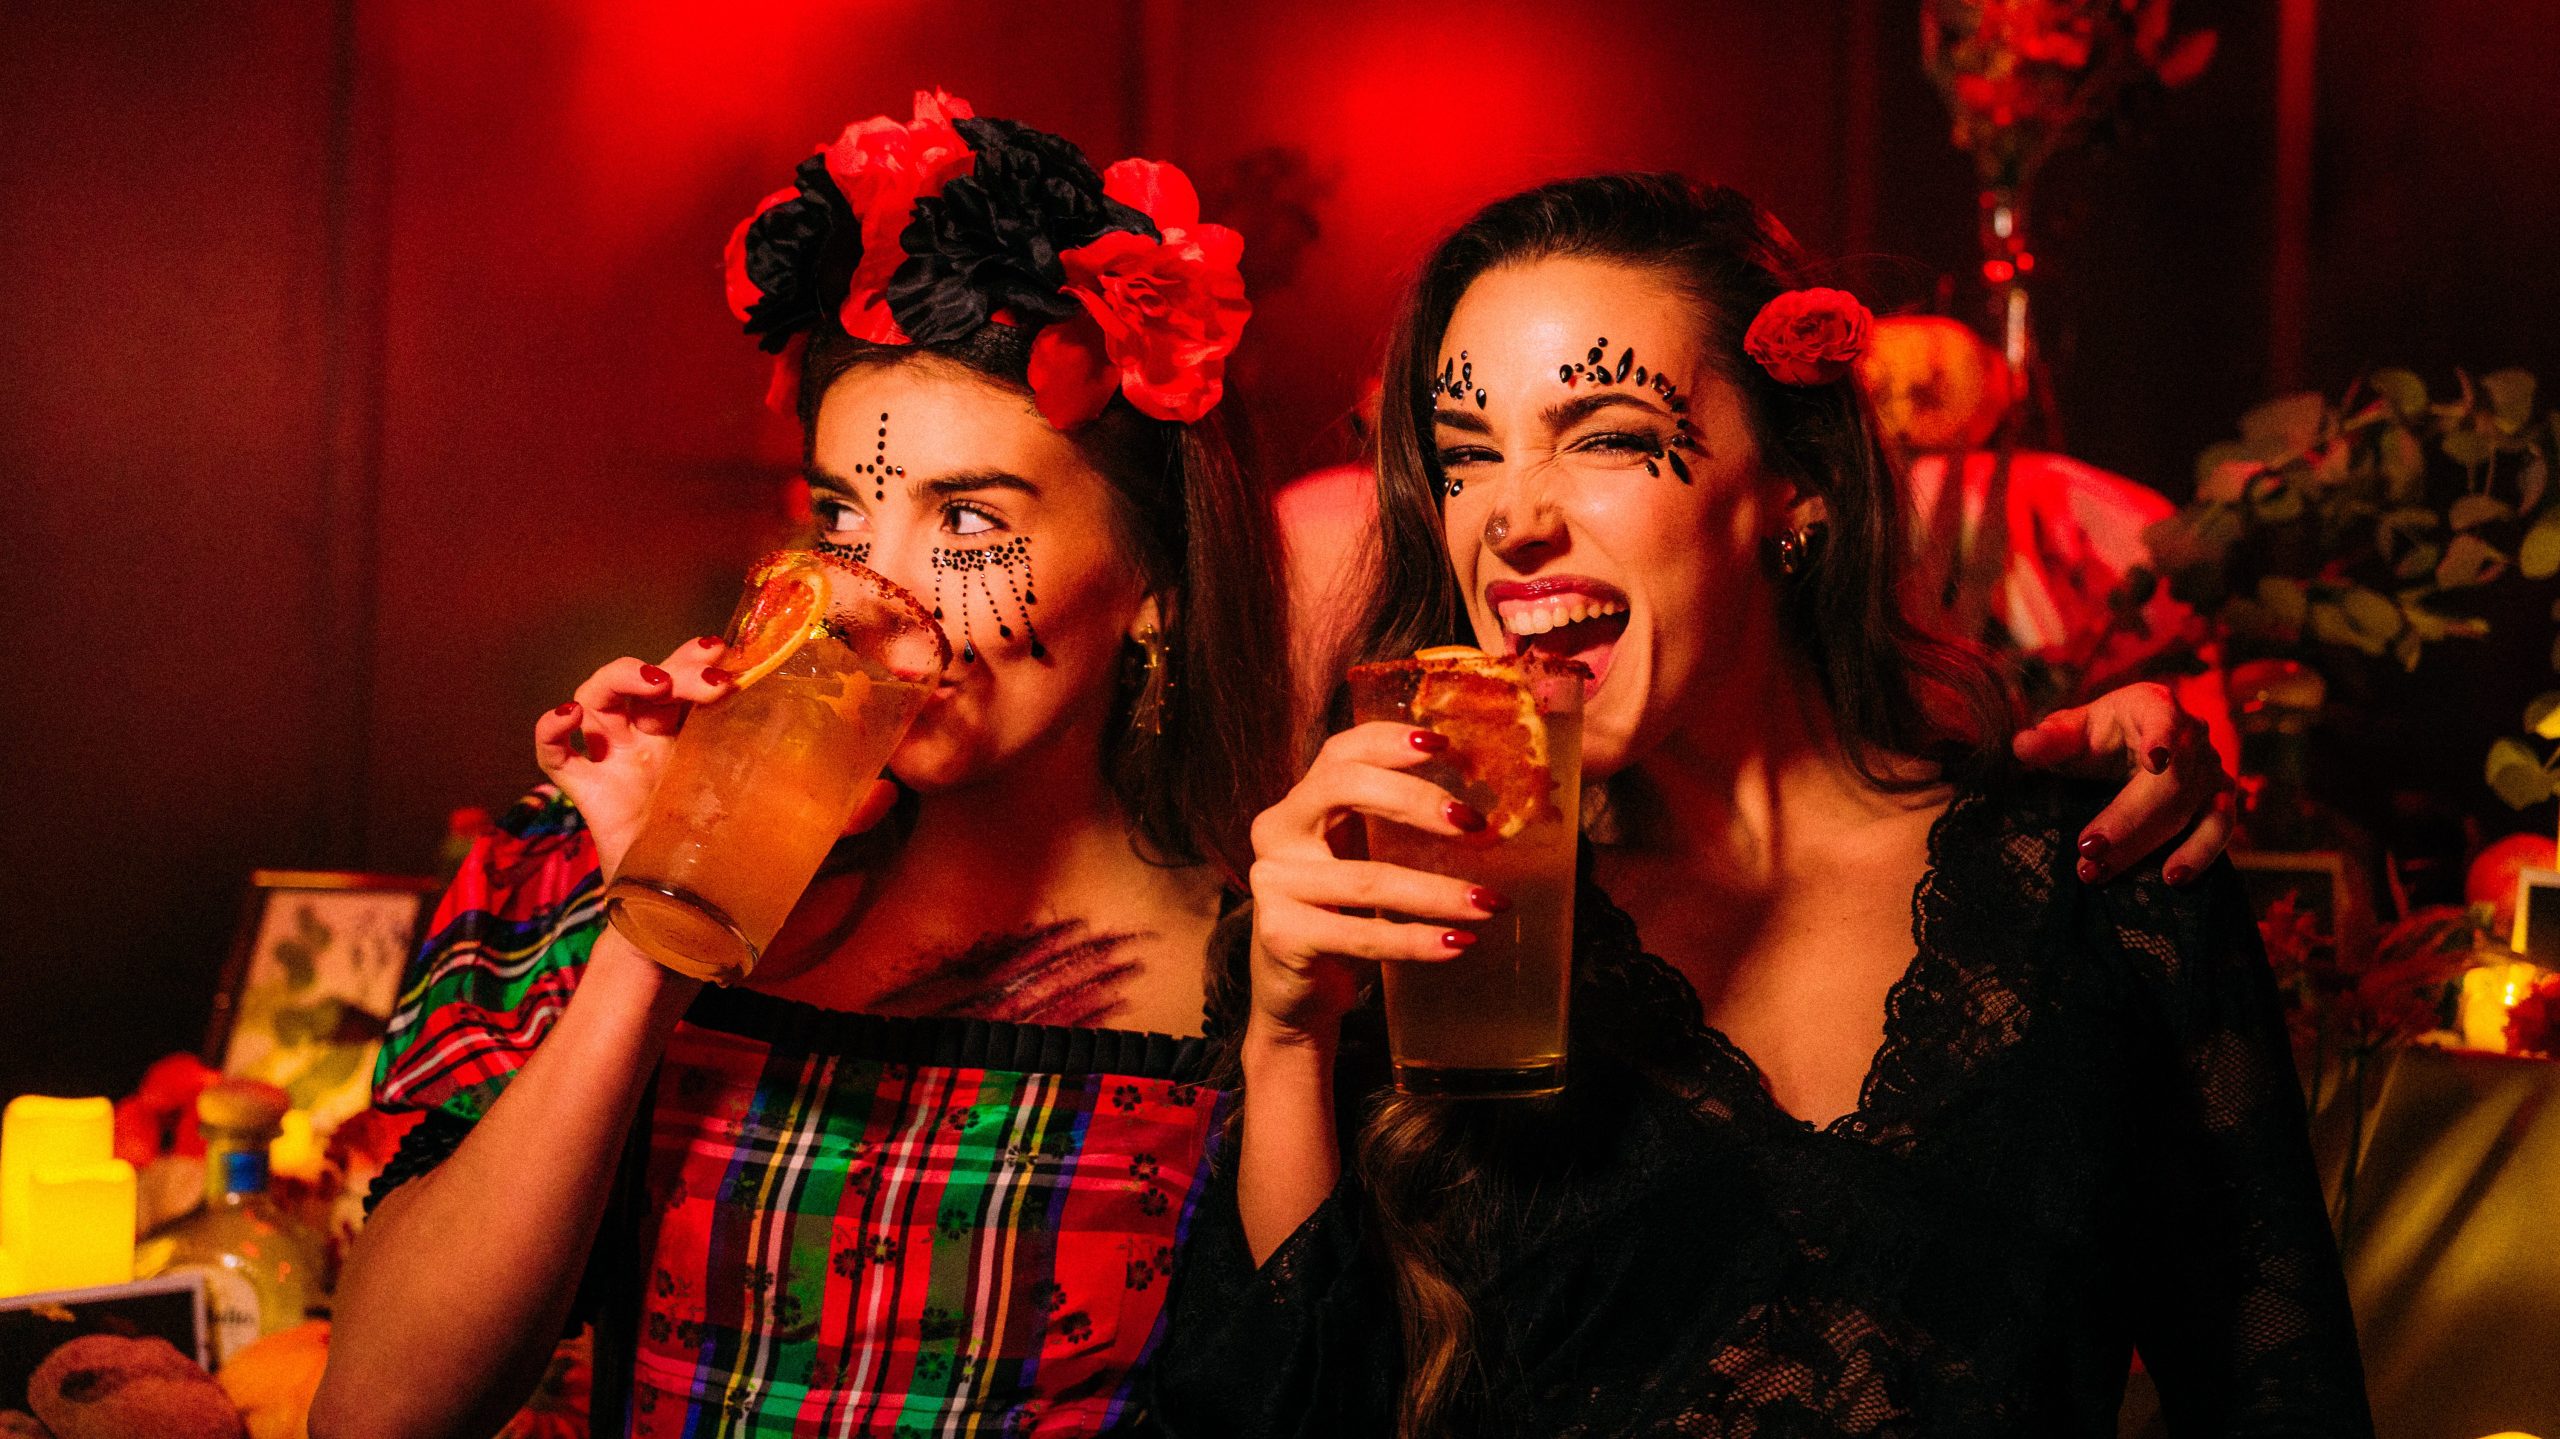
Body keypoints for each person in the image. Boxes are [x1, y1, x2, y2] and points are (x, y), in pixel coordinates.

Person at [1150, 174, 2364, 1437]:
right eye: (1466, 454)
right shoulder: (1409, 916)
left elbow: (2285, 1400)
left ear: (1799, 480)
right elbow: (1274, 1412)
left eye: (1605, 435)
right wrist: (1287, 1042)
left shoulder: (2102, 877)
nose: (1509, 516)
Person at [314, 94, 1289, 1438]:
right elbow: (377, 1410)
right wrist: (655, 924)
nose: (869, 594)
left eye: (967, 519)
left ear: (1155, 585)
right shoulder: (579, 867)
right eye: (841, 512)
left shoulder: (1274, 979)